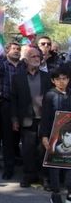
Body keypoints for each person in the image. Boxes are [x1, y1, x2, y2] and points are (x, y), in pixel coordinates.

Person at [11, 46, 51, 188]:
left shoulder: (47, 77)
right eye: (33, 56)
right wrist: (14, 119)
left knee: (43, 150)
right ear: (26, 59)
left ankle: (43, 177)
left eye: (38, 57)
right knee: (28, 150)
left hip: (44, 120)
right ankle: (28, 176)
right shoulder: (18, 77)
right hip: (27, 120)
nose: (37, 59)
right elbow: (14, 100)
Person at [0, 42, 26, 179]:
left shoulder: (24, 65)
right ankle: (8, 169)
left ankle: (27, 170)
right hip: (7, 104)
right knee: (8, 138)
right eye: (14, 49)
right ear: (7, 51)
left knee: (22, 137)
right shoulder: (2, 64)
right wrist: (3, 56)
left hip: (23, 105)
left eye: (19, 49)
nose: (17, 51)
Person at [40, 65, 71, 203]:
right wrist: (44, 136)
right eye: (58, 79)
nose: (61, 82)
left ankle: (70, 193)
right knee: (55, 166)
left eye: (64, 79)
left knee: (69, 165)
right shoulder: (50, 95)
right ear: (53, 81)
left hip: (69, 135)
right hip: (54, 135)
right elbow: (45, 117)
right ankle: (56, 194)